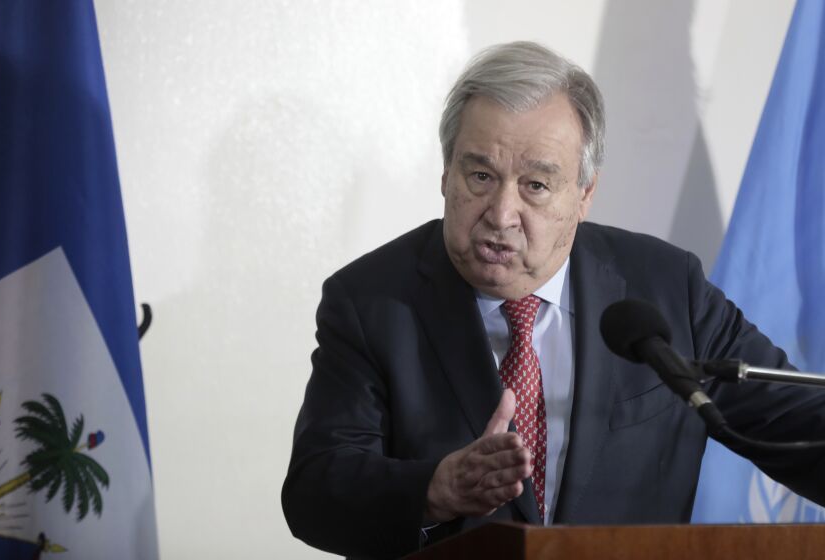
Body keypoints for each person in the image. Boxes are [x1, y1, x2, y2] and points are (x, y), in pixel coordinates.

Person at [282, 41, 825, 560]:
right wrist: (435, 488)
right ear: (446, 174)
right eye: (480, 176)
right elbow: (316, 491)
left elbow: (799, 428)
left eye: (536, 186)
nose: (501, 213)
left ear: (584, 194)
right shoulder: (372, 302)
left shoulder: (665, 289)